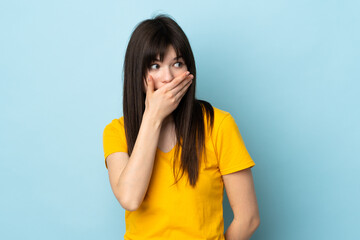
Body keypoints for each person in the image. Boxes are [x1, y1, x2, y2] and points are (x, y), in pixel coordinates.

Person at [102, 14, 260, 240]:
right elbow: (130, 198)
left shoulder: (219, 125)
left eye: (177, 64)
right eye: (155, 66)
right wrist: (153, 118)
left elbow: (249, 218)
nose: (167, 77)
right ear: (137, 75)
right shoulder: (117, 131)